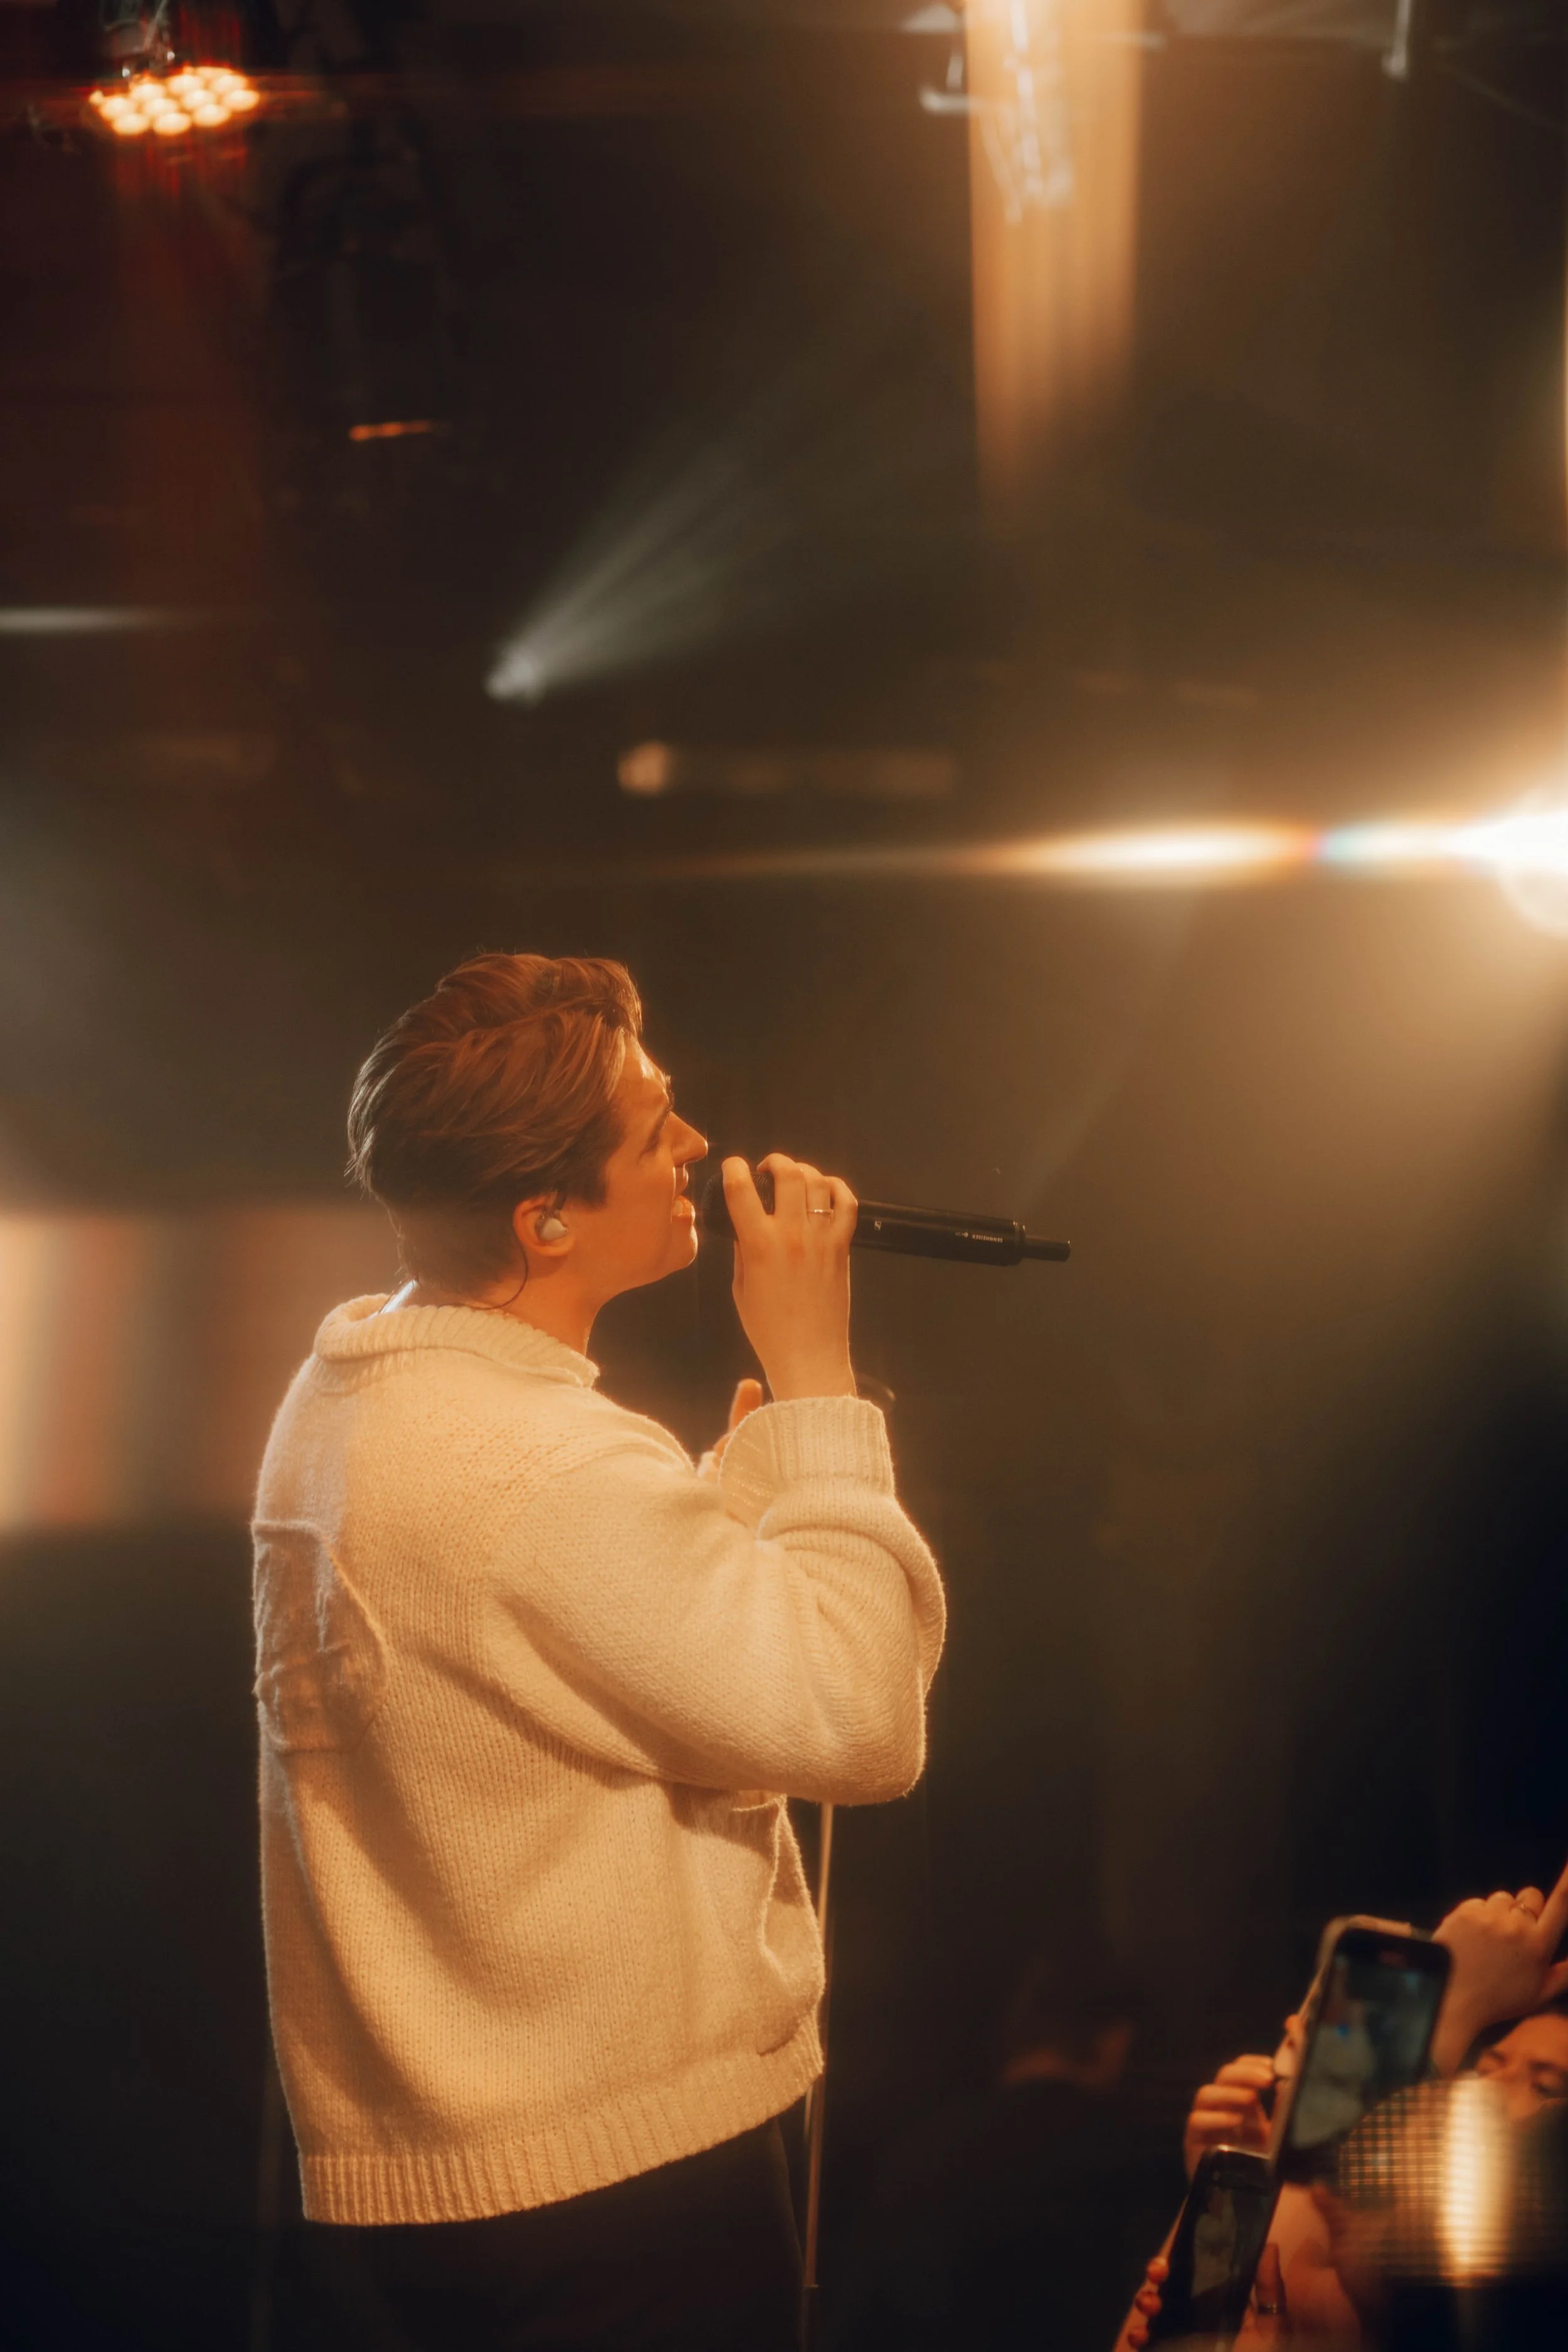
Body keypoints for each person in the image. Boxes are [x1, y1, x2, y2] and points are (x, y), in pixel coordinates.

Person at [251, 952, 946, 2351]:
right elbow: (860, 1721)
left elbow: (546, 1650)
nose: (697, 1146)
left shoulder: (351, 1388)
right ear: (546, 1218)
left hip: (460, 2186)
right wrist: (813, 1378)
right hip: (614, 2203)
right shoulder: (539, 1466)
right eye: (653, 1130)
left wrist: (729, 1500)